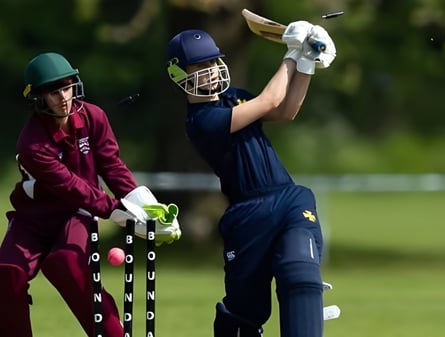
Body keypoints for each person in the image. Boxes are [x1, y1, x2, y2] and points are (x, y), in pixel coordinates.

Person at [165, 21, 336, 337]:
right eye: (201, 65)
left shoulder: (235, 97)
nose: (212, 70)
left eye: (214, 62)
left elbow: (284, 111)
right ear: (179, 74)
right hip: (247, 215)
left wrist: (306, 62)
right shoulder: (202, 122)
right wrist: (290, 54)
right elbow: (268, 101)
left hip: (288, 197)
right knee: (246, 312)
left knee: (300, 274)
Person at [0, 52, 180, 337]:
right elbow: (70, 185)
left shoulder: (94, 116)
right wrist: (112, 208)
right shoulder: (32, 143)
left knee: (66, 264)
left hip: (74, 214)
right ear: (38, 98)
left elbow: (111, 165)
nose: (63, 96)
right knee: (8, 272)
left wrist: (142, 203)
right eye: (53, 91)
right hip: (32, 219)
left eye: (67, 86)